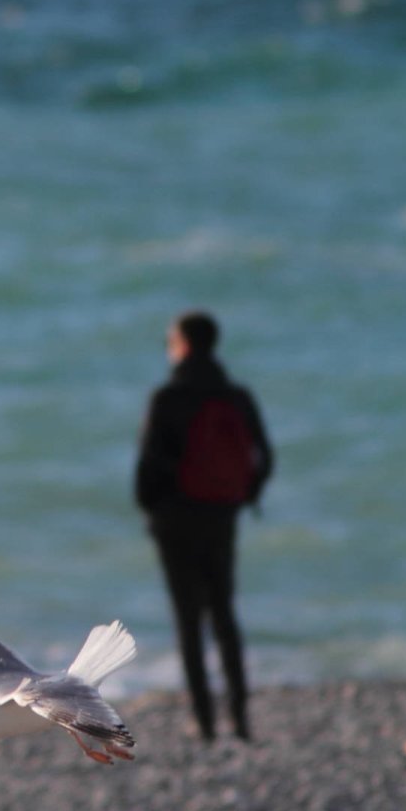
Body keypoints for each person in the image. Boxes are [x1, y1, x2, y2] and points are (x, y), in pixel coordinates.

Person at [135, 311, 273, 742]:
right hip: (221, 515)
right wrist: (243, 498)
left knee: (188, 619)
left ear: (183, 345)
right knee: (225, 613)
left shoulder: (168, 397)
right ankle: (241, 716)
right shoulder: (237, 395)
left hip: (175, 519)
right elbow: (264, 457)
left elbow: (147, 468)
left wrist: (152, 510)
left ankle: (205, 721)